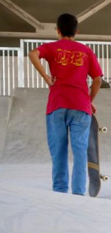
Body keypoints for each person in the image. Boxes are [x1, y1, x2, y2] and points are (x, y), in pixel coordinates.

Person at [27, 13, 103, 196]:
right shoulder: (86, 51)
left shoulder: (52, 47)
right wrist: (88, 101)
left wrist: (46, 77)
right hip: (80, 106)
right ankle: (78, 193)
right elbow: (98, 79)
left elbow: (32, 54)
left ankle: (59, 193)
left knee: (58, 153)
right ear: (77, 31)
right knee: (80, 152)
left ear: (58, 30)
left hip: (57, 105)